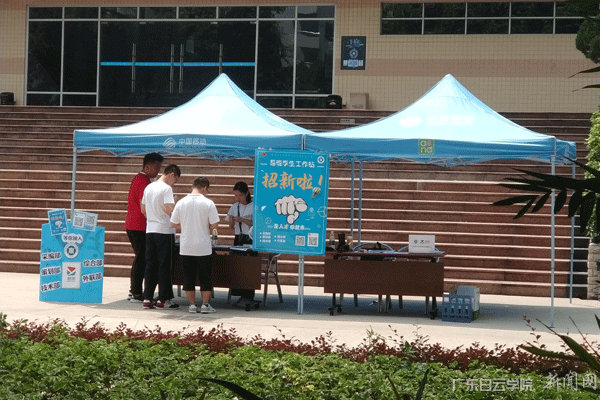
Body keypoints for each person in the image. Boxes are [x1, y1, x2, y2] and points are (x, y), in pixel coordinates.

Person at [170, 177, 220, 314]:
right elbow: (214, 225)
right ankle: (205, 305)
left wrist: (185, 227)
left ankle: (192, 305)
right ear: (204, 188)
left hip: (186, 245)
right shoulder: (208, 203)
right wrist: (205, 228)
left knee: (188, 276)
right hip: (203, 246)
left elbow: (173, 223)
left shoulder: (181, 202)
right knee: (205, 277)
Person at [125, 152, 164, 302]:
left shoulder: (141, 179)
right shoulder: (143, 181)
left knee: (141, 258)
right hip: (138, 225)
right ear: (147, 167)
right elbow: (145, 204)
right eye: (156, 167)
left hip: (135, 224)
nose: (158, 170)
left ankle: (134, 290)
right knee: (141, 259)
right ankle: (135, 292)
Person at [141, 164, 181, 309]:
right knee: (164, 265)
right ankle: (163, 299)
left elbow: (143, 209)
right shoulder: (166, 189)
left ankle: (147, 297)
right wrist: (174, 202)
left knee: (150, 265)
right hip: (164, 230)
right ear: (171, 175)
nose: (173, 183)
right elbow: (169, 210)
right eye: (175, 180)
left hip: (150, 230)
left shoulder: (149, 187)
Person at [225, 181, 258, 308]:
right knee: (238, 266)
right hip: (238, 237)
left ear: (246, 193)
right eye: (236, 195)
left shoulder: (253, 206)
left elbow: (255, 223)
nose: (238, 198)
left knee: (249, 267)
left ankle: (248, 296)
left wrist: (242, 219)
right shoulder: (235, 206)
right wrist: (232, 222)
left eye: (240, 195)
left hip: (250, 238)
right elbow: (230, 226)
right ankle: (239, 294)